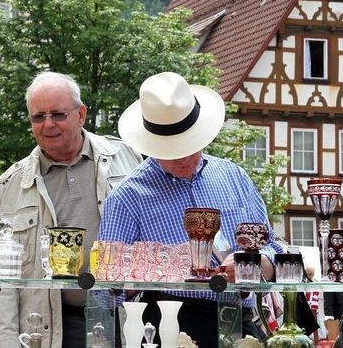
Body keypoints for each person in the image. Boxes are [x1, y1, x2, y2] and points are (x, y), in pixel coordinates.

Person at [98, 72, 283, 347]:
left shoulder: (234, 177)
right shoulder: (127, 197)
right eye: (172, 150)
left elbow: (274, 251)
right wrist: (131, 280)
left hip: (239, 320)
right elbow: (103, 291)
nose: (184, 158)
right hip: (167, 324)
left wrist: (255, 266)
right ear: (151, 144)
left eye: (190, 145)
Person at [0, 71, 143, 348]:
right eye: (39, 117)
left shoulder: (127, 159)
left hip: (126, 317)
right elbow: (2, 284)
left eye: (58, 114)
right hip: (56, 328)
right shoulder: (8, 188)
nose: (48, 124)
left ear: (81, 114)